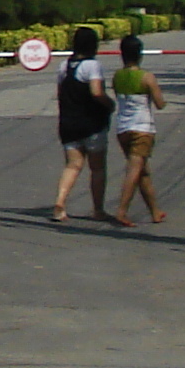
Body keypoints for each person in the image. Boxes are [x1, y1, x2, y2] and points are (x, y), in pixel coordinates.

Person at [52, 25, 112, 223]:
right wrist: (109, 104)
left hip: (68, 123)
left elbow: (60, 94)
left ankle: (60, 203)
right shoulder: (92, 66)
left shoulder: (64, 66)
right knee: (97, 168)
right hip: (91, 123)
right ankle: (98, 209)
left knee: (72, 166)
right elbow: (96, 92)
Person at [109, 34, 170, 227]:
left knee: (143, 172)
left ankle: (155, 211)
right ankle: (121, 211)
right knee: (134, 171)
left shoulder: (117, 76)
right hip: (142, 129)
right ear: (140, 54)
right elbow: (160, 104)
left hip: (123, 129)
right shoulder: (147, 77)